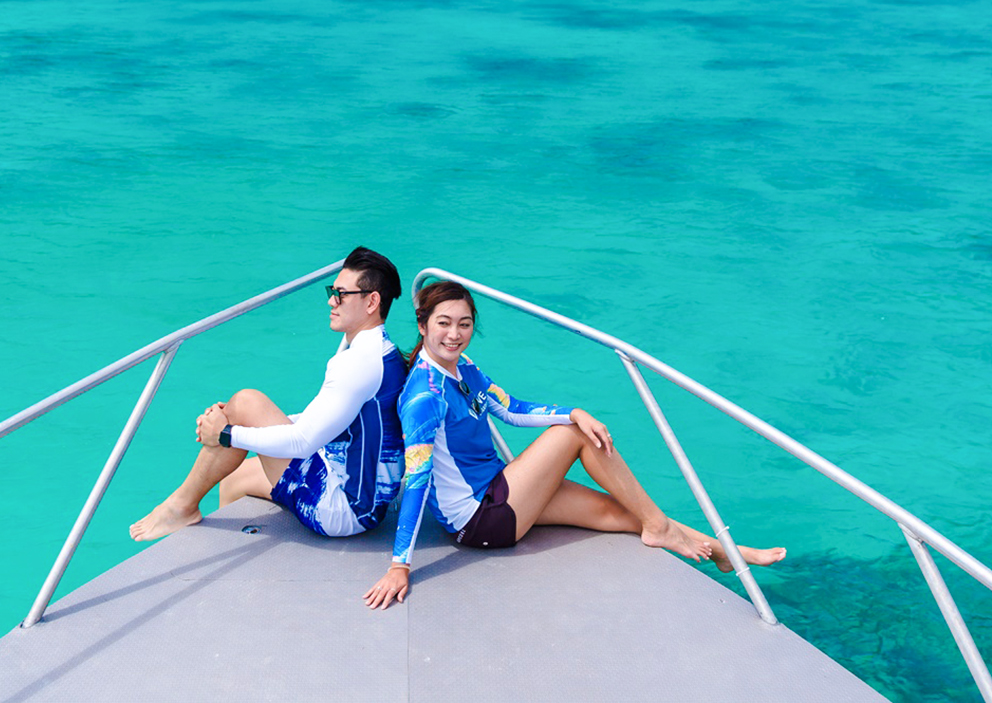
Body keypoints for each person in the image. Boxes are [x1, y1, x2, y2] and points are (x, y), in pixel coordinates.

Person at [364, 280, 786, 608]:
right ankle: (660, 529)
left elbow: (511, 409)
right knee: (572, 438)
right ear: (422, 325)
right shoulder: (424, 397)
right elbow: (417, 480)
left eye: (465, 324)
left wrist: (573, 409)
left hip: (500, 491)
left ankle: (726, 553)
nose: (455, 334)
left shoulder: (463, 367)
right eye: (443, 323)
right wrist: (400, 565)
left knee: (618, 510)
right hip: (478, 519)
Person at [129, 246, 406, 541]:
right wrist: (239, 425)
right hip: (364, 497)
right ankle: (224, 562)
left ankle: (180, 506)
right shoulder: (380, 352)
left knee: (247, 401)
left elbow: (301, 443)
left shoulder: (357, 363)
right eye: (331, 291)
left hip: (342, 508)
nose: (330, 301)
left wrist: (228, 433)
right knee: (233, 479)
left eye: (340, 294)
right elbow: (327, 419)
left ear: (371, 302)